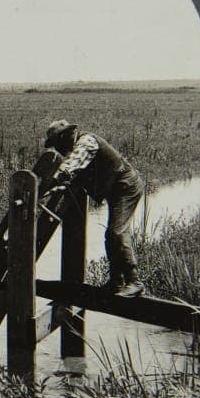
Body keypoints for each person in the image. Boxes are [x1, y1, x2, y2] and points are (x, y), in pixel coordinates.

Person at [44, 119, 146, 297]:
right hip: (116, 189)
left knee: (117, 233)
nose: (57, 149)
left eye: (56, 143)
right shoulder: (76, 147)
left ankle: (134, 281)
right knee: (111, 235)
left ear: (65, 136)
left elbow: (68, 169)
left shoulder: (86, 142)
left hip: (126, 186)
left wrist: (41, 188)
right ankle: (117, 282)